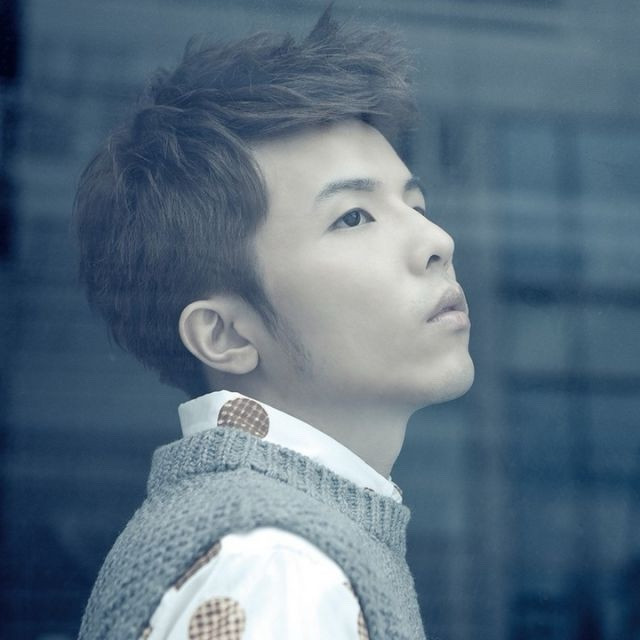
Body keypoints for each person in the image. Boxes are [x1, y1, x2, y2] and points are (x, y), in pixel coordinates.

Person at [74, 8, 473, 640]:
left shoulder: (272, 540)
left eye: (415, 204)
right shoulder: (278, 569)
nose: (437, 241)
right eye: (353, 217)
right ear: (226, 335)